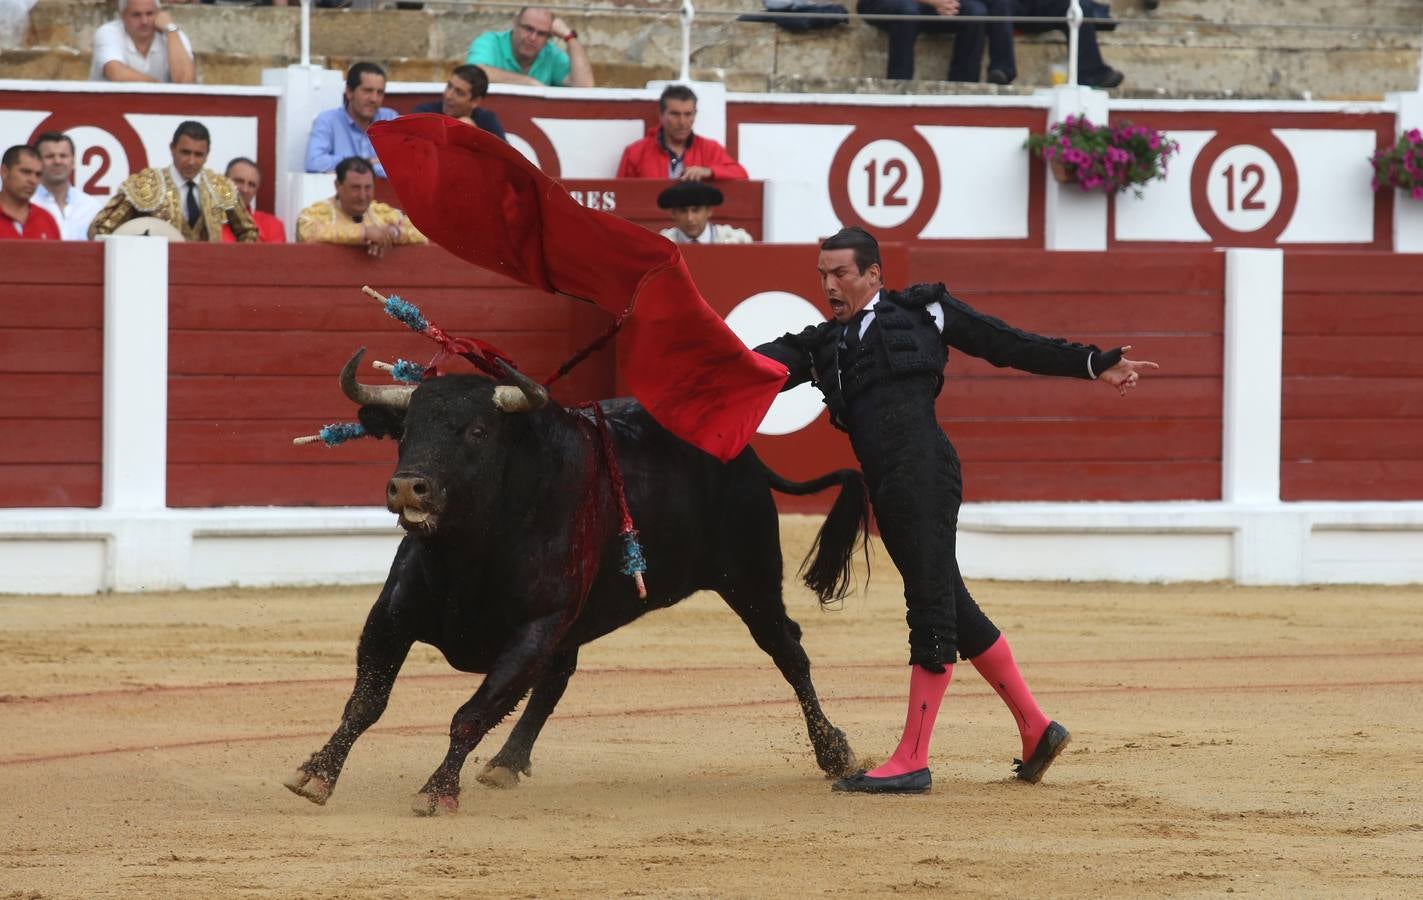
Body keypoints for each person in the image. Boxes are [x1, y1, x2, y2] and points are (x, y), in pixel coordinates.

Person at [753, 227, 1157, 794]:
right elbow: (751, 369)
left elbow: (1009, 344)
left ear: (874, 274)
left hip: (925, 472)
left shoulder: (926, 312)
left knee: (930, 606)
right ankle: (1037, 729)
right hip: (888, 487)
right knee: (951, 603)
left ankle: (913, 757)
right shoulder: (824, 347)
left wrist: (1092, 363)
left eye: (840, 273)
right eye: (822, 275)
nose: (829, 286)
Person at [89, 120, 258, 242]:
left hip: (208, 275)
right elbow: (100, 228)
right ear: (172, 149)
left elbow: (249, 232)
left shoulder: (221, 187)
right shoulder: (147, 184)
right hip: (155, 274)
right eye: (185, 152)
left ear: (207, 155)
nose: (191, 161)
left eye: (198, 154)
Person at [296, 156, 427, 258]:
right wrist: (365, 233)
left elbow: (421, 233)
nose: (363, 196)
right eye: (355, 188)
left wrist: (392, 233)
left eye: (368, 187)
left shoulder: (382, 213)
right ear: (338, 186)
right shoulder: (316, 213)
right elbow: (308, 233)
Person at [857, 0, 1016, 84]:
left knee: (975, 12)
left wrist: (946, 3)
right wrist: (934, 2)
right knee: (908, 11)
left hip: (929, 5)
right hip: (886, 3)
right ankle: (899, 84)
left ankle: (963, 86)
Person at [616, 84, 748, 182]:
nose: (682, 122)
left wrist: (709, 171)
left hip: (693, 220)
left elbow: (741, 174)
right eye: (675, 114)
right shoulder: (635, 152)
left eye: (688, 114)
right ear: (661, 115)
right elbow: (620, 196)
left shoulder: (710, 148)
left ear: (695, 115)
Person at [305, 62, 398, 179]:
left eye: (380, 92)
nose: (374, 99)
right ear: (349, 92)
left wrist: (345, 168)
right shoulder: (328, 120)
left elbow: (405, 164)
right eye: (367, 91)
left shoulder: (390, 118)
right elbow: (314, 162)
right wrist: (366, 162)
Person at [466, 6, 594, 88]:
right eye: (528, 29)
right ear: (515, 23)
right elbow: (473, 73)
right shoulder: (491, 42)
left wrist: (569, 37)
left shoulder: (551, 53)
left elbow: (585, 88)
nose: (533, 38)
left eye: (541, 34)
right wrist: (528, 83)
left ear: (549, 36)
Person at [1012, 0, 1124, 88]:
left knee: (1079, 7)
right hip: (1013, 7)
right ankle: (1002, 70)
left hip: (1048, 6)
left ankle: (1091, 74)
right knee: (1000, 4)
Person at [89, 0, 195, 84]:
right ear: (123, 16)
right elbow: (116, 73)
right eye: (136, 15)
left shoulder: (173, 34)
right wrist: (161, 89)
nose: (144, 21)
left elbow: (185, 81)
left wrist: (171, 31)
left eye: (149, 14)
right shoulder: (108, 32)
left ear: (159, 13)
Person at [30, 131, 105, 241]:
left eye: (63, 156)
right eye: (49, 156)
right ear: (36, 162)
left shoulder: (92, 207)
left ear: (73, 161)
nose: (57, 161)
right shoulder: (26, 204)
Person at [411, 65, 508, 142]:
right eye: (449, 86)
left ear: (475, 101)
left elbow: (507, 159)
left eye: (459, 92)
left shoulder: (487, 120)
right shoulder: (425, 114)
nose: (448, 96)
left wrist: (476, 136)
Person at [657, 181, 752, 245]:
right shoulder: (663, 244)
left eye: (696, 210)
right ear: (673, 213)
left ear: (709, 211)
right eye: (683, 211)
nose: (690, 218)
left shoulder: (736, 240)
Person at [0, 145, 61, 241]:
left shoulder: (46, 219)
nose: (33, 180)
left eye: (38, 174)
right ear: (5, 172)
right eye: (26, 172)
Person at [221, 157, 286, 243]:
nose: (245, 189)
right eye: (239, 181)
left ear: (256, 191)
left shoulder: (272, 225)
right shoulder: (207, 219)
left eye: (251, 185)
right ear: (223, 182)